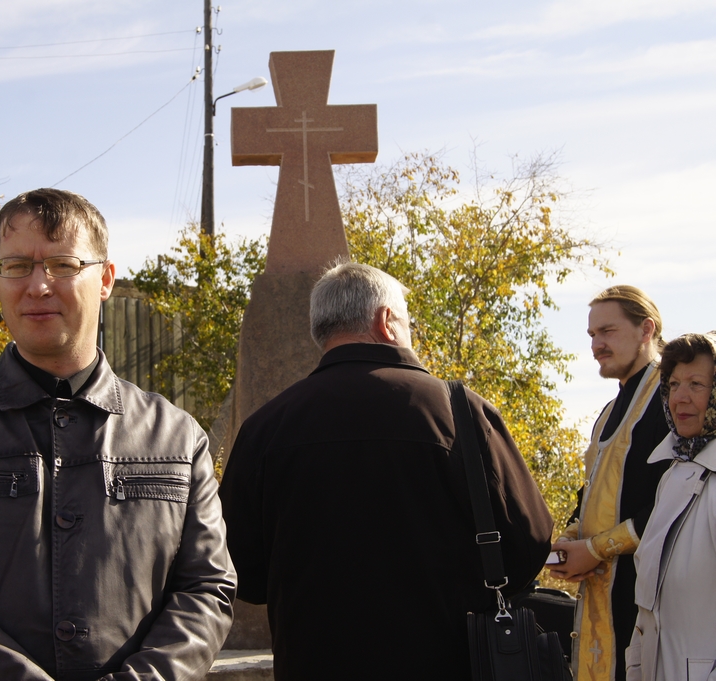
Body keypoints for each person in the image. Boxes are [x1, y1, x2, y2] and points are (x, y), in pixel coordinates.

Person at [0, 189, 236, 680]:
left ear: (105, 279)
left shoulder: (177, 438)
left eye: (63, 265)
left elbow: (205, 588)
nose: (38, 286)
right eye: (17, 266)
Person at [219, 261, 553, 680]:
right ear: (386, 320)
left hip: (313, 663)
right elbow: (530, 542)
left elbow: (239, 571)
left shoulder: (265, 427)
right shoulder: (463, 412)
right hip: (449, 661)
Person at [550, 286, 670, 681]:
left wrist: (596, 549)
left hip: (652, 601)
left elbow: (675, 501)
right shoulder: (607, 412)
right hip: (602, 599)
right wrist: (571, 541)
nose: (597, 345)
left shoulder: (672, 398)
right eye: (591, 336)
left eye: (607, 331)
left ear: (645, 329)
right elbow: (592, 492)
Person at [626, 333, 716, 681]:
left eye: (696, 384)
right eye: (674, 383)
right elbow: (647, 610)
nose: (679, 397)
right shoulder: (672, 474)